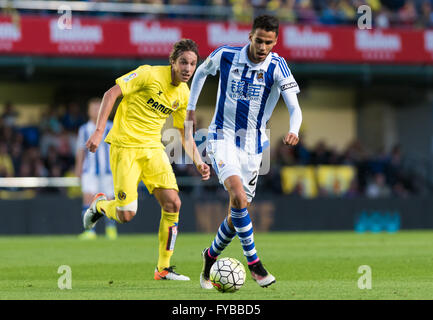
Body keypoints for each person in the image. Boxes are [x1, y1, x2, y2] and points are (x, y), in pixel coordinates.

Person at [187, 14, 302, 288]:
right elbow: (201, 72)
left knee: (237, 209)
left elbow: (294, 107)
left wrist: (294, 129)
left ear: (275, 42)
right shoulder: (226, 55)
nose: (263, 47)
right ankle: (255, 265)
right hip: (221, 136)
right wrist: (191, 109)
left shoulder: (278, 66)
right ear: (250, 36)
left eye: (269, 43)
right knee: (237, 195)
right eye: (259, 40)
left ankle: (210, 256)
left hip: (254, 147)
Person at [83, 39, 210, 281]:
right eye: (183, 62)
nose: (188, 68)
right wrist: (99, 131)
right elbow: (111, 94)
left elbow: (185, 134)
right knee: (126, 214)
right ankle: (99, 205)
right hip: (125, 147)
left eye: (193, 64)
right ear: (172, 62)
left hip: (153, 149)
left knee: (173, 203)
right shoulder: (148, 74)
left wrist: (198, 161)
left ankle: (163, 268)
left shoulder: (183, 94)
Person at [75, 98, 117, 240]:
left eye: (99, 108)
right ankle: (89, 231)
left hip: (108, 171)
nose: (96, 111)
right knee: (88, 198)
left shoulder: (111, 127)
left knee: (109, 199)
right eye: (93, 108)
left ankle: (111, 229)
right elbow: (81, 151)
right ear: (88, 111)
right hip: (90, 171)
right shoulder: (84, 129)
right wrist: (78, 169)